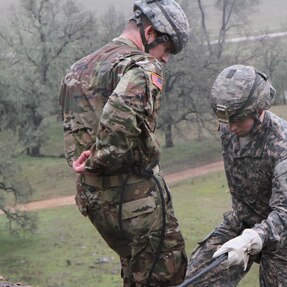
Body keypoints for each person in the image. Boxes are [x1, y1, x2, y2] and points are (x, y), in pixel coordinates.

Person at [58, 1, 190, 286]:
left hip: (93, 197)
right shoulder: (143, 66)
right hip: (135, 200)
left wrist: (86, 165)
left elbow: (72, 129)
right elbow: (121, 121)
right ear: (151, 32)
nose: (165, 59)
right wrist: (100, 157)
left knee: (133, 268)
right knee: (165, 273)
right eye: (167, 50)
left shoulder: (79, 67)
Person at [184, 65, 287, 287]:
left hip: (280, 235)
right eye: (227, 120)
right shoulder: (230, 128)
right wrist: (243, 235)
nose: (231, 127)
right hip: (240, 223)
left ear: (258, 111)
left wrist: (252, 239)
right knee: (193, 282)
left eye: (237, 119)